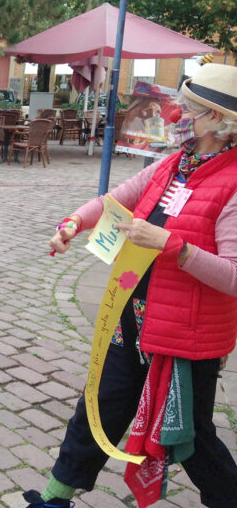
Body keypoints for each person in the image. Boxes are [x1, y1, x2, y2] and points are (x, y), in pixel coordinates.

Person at [26, 63, 237, 508]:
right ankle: (54, 498)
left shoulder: (233, 182)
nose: (176, 116)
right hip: (133, 316)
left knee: (189, 434)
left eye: (188, 109)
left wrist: (173, 246)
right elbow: (117, 198)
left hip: (185, 335)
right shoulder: (174, 164)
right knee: (98, 407)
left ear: (218, 121)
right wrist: (74, 223)